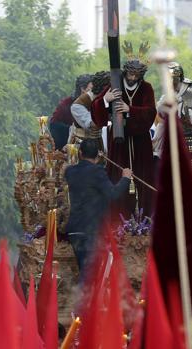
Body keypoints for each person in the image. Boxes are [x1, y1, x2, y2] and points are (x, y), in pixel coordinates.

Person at [91, 58, 156, 219]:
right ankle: (119, 220)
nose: (132, 78)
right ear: (125, 71)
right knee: (117, 177)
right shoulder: (114, 84)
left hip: (141, 143)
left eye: (136, 75)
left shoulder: (146, 88)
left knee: (143, 181)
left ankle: (144, 220)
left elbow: (150, 113)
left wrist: (130, 110)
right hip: (119, 142)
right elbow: (96, 109)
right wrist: (106, 100)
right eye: (131, 74)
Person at [64, 139, 132, 275]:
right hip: (90, 231)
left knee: (86, 271)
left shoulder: (70, 172)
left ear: (80, 153)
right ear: (97, 155)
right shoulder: (97, 172)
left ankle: (84, 295)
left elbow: (72, 169)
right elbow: (113, 193)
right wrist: (125, 178)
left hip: (75, 230)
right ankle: (86, 296)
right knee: (90, 275)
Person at [69, 71, 110, 151]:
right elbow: (93, 125)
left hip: (98, 144)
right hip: (81, 147)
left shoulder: (110, 99)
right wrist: (104, 101)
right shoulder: (77, 105)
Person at [49, 74, 93, 150]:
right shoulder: (66, 103)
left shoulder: (93, 102)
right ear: (82, 89)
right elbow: (54, 125)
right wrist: (72, 130)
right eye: (91, 89)